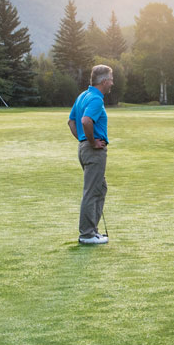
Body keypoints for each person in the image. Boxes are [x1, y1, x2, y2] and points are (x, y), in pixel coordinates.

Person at [68, 64, 114, 245]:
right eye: (111, 79)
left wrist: (82, 140)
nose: (112, 83)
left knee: (100, 188)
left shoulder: (83, 96)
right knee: (91, 191)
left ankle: (92, 231)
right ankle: (87, 234)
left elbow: (71, 121)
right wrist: (92, 141)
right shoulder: (96, 99)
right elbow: (85, 121)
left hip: (85, 148)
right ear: (104, 81)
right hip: (93, 151)